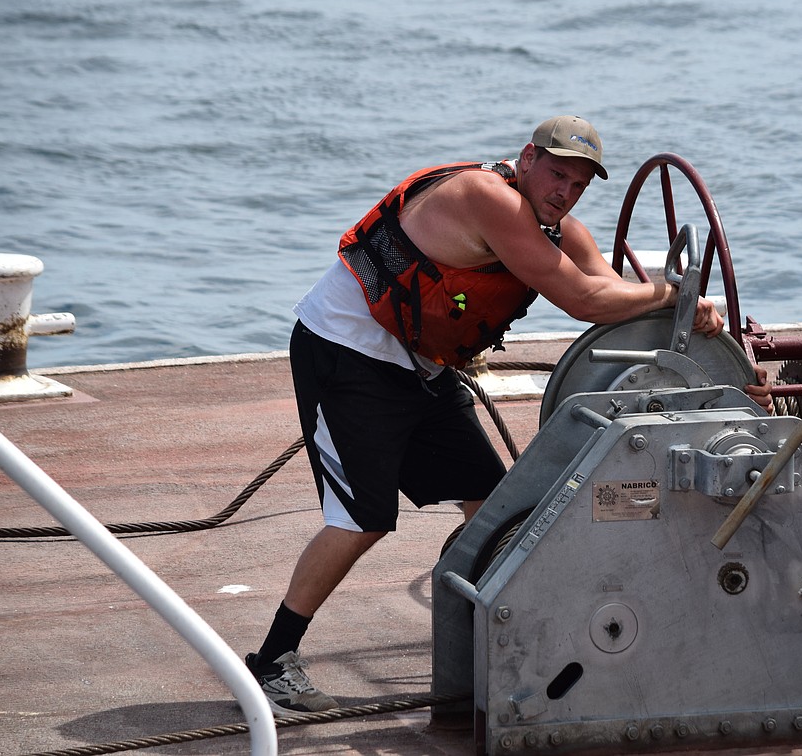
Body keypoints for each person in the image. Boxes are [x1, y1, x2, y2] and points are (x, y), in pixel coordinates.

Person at [244, 115, 772, 715]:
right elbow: (582, 300)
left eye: (578, 185)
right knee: (362, 518)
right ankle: (271, 663)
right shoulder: (485, 197)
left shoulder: (558, 229)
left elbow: (612, 295)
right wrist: (674, 293)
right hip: (347, 352)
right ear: (527, 158)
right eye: (556, 174)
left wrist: (698, 325)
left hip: (421, 367)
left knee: (496, 508)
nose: (563, 192)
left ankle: (502, 640)